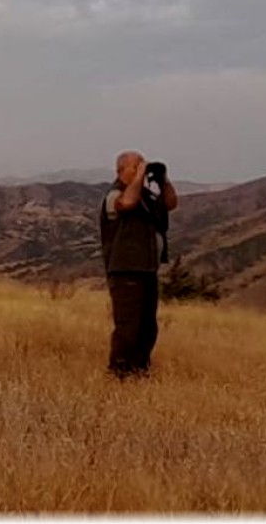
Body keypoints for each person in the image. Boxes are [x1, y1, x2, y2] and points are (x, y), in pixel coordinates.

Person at [99, 150, 178, 379]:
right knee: (128, 326)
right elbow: (128, 203)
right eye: (136, 166)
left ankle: (140, 371)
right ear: (121, 170)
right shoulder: (115, 194)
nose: (142, 169)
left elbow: (171, 204)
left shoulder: (146, 196)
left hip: (147, 268)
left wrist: (163, 179)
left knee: (147, 327)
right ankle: (119, 373)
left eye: (143, 165)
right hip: (126, 270)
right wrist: (139, 176)